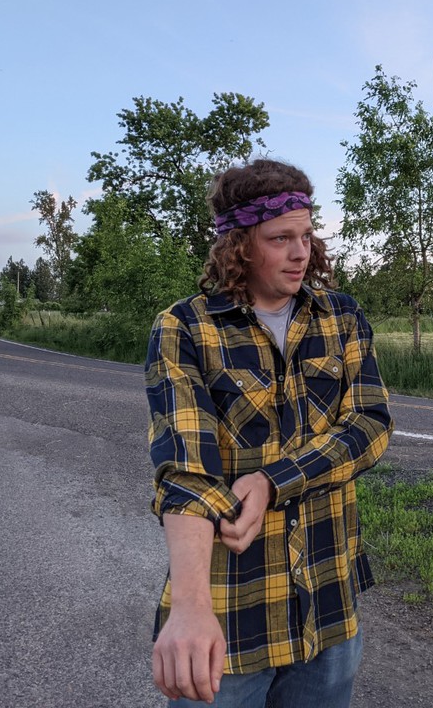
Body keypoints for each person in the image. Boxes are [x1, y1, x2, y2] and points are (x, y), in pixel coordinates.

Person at [145, 158, 394, 707]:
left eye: (306, 236)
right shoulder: (186, 328)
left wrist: (271, 481)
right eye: (280, 238)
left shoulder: (341, 318)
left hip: (328, 605)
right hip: (231, 613)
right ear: (238, 246)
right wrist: (190, 607)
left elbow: (370, 424)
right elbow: (186, 469)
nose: (301, 252)